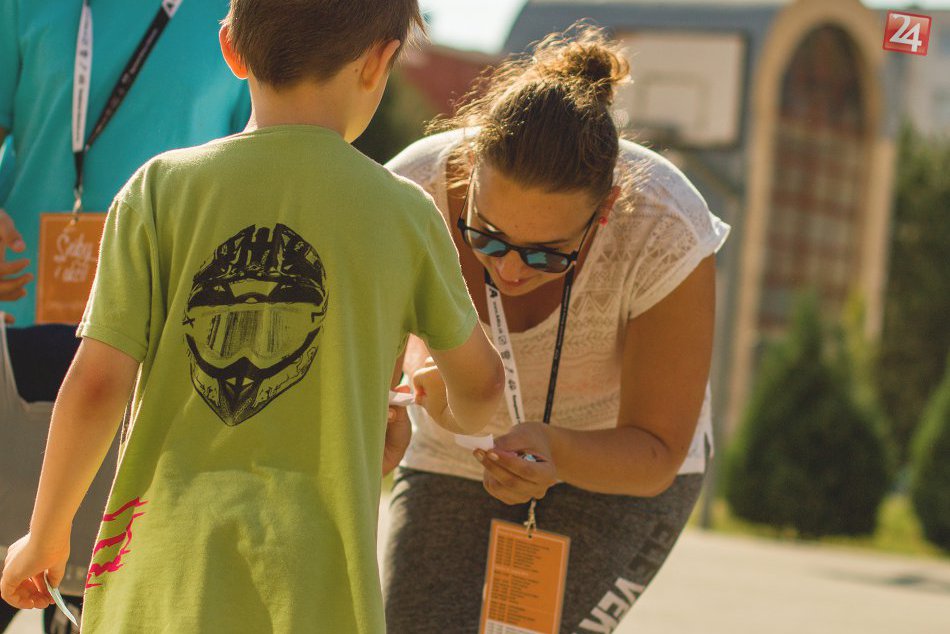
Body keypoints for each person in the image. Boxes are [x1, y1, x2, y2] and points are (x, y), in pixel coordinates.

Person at [0, 1, 504, 632]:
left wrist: (45, 536)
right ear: (380, 61)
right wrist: (431, 394)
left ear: (231, 49)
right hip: (316, 599)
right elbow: (483, 390)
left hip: (156, 584)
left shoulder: (157, 190)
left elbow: (97, 384)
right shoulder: (405, 214)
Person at [382, 25, 730, 633]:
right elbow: (372, 379)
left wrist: (559, 451)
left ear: (604, 211)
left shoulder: (665, 226)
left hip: (614, 468)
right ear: (466, 172)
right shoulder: (410, 193)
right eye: (485, 234)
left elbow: (655, 453)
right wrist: (386, 412)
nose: (510, 269)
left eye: (547, 254)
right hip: (452, 457)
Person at [0, 2, 251, 630]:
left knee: (99, 603)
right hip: (11, 330)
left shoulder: (241, 14)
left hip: (153, 351)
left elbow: (256, 171)